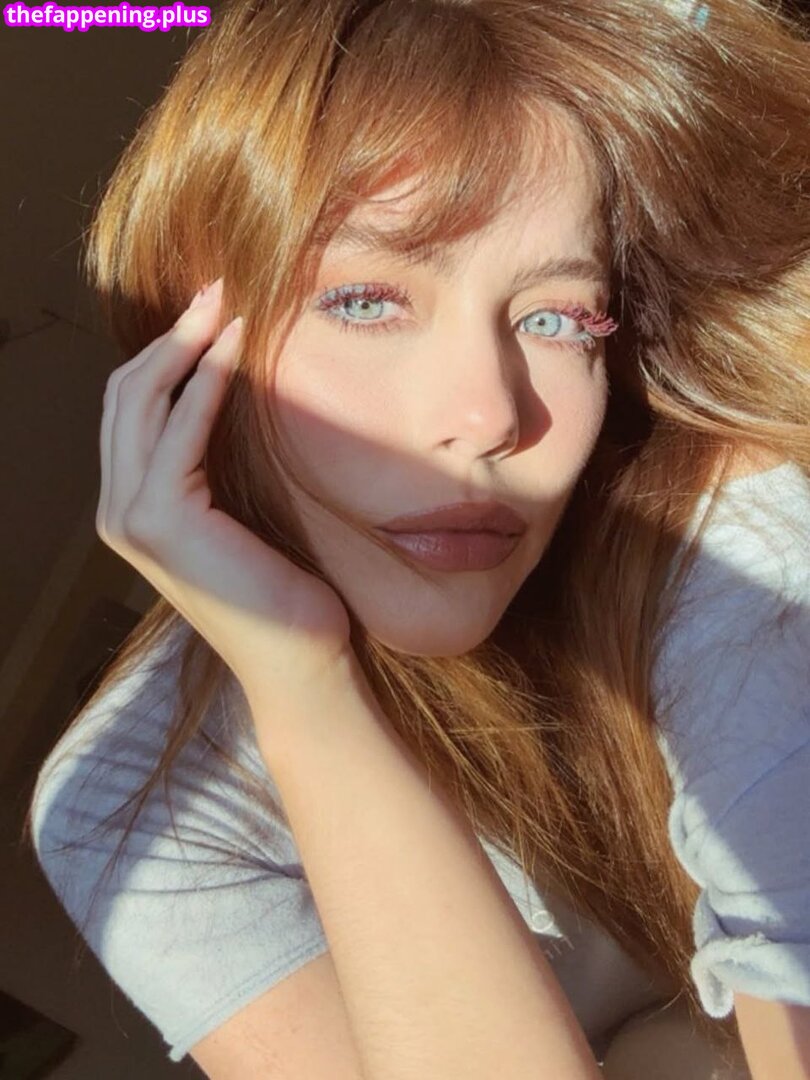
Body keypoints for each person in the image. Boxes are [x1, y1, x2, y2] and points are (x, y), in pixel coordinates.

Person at [22, 0, 809, 1076]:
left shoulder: (718, 527)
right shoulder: (136, 803)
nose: (489, 415)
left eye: (557, 318)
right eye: (364, 302)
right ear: (188, 350)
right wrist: (306, 689)